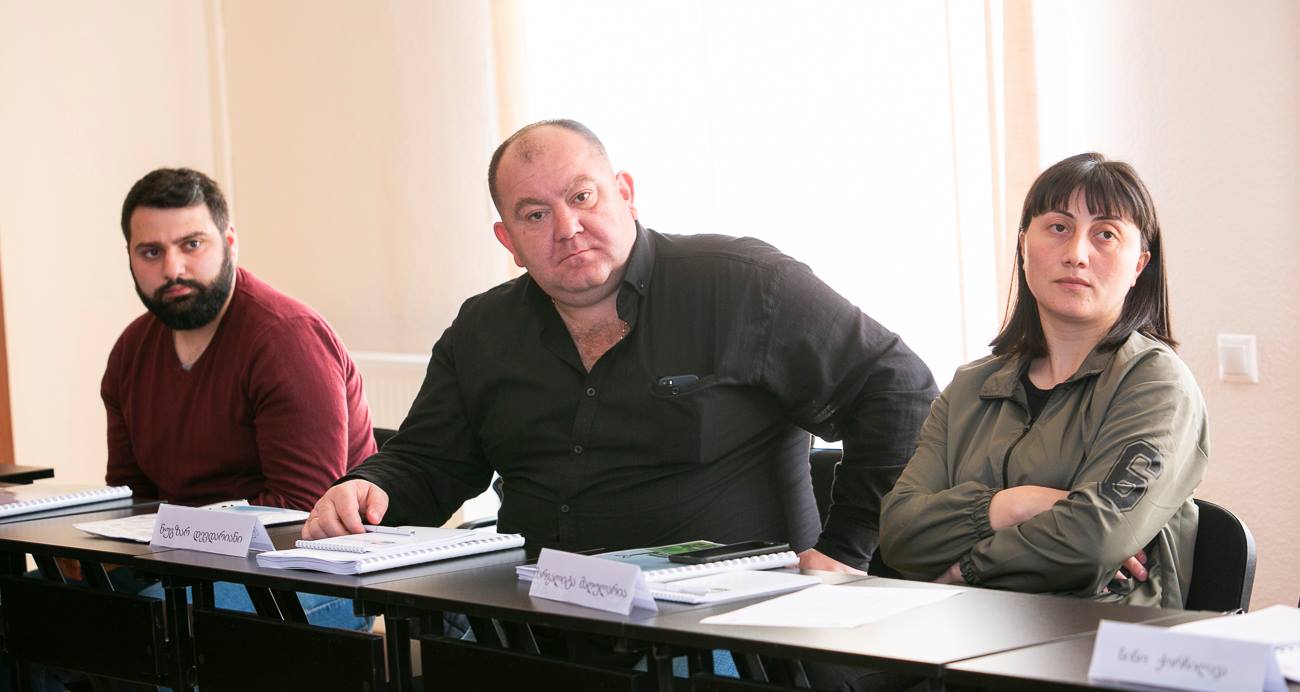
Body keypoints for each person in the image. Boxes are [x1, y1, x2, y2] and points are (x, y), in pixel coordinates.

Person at [304, 120, 937, 581]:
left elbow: (899, 389)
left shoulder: (743, 285)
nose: (567, 228)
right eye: (534, 215)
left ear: (625, 192)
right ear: (508, 240)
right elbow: (429, 461)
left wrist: (848, 548)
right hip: (539, 619)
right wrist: (367, 487)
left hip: (730, 627)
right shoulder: (483, 329)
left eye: (582, 196)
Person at [879, 153, 1207, 608]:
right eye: (1058, 227)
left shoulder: (1156, 384)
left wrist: (963, 571)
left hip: (1099, 641)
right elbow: (899, 533)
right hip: (961, 635)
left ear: (1138, 265)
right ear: (1023, 245)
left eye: (1105, 234)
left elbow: (1093, 538)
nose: (1076, 254)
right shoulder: (970, 388)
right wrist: (1018, 503)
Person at [101, 167, 377, 627]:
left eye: (192, 244)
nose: (173, 269)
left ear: (229, 242)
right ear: (130, 258)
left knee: (152, 625)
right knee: (29, 607)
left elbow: (301, 510)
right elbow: (133, 499)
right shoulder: (131, 351)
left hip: (318, 570)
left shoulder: (286, 339)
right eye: (151, 252)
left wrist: (178, 531)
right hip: (186, 562)